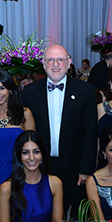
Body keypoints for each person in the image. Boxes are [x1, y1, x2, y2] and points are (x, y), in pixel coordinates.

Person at [22, 44, 97, 213]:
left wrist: (86, 169)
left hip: (75, 169)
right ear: (43, 63)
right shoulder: (30, 92)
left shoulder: (85, 90)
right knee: (42, 216)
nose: (55, 64)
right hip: (40, 168)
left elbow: (90, 133)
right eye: (50, 60)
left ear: (69, 62)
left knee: (74, 217)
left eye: (60, 60)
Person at [0, 69, 35, 222]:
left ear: (10, 89)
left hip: (18, 172)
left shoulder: (25, 113)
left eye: (1, 88)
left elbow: (34, 149)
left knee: (20, 217)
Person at [0, 130, 63, 222]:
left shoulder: (55, 183)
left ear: (42, 154)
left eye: (36, 152)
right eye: (25, 153)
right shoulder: (6, 188)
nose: (31, 157)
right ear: (19, 156)